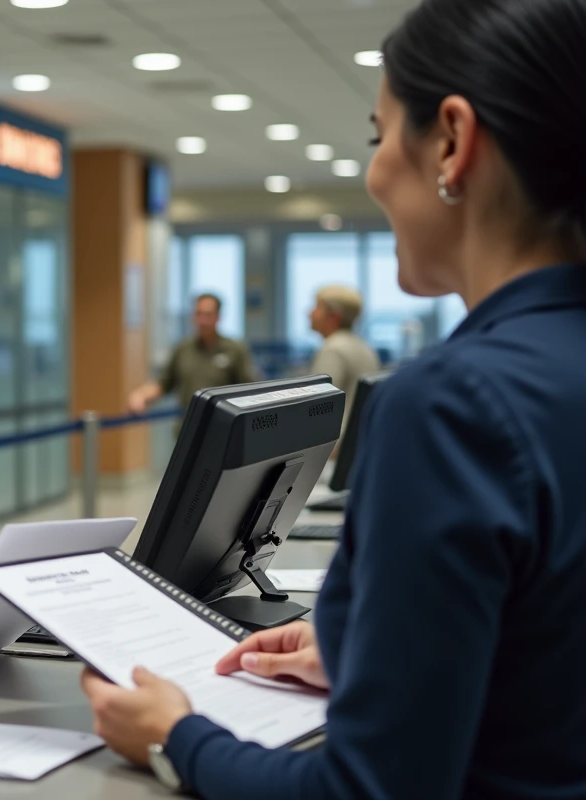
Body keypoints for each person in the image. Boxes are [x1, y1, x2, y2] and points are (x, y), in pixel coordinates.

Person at [82, 0, 586, 797]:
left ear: (452, 142)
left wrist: (175, 736)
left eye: (380, 136)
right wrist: (373, 657)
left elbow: (367, 789)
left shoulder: (454, 403)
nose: (375, 170)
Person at [128, 294, 256, 415]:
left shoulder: (234, 349)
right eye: (198, 314)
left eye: (208, 314)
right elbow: (164, 383)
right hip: (188, 428)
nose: (203, 320)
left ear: (218, 317)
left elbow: (251, 390)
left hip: (223, 429)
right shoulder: (183, 349)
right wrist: (141, 395)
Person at [307, 285, 381, 435]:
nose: (310, 313)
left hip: (334, 444)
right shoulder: (364, 347)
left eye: (317, 307)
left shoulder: (332, 350)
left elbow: (318, 408)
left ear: (333, 316)